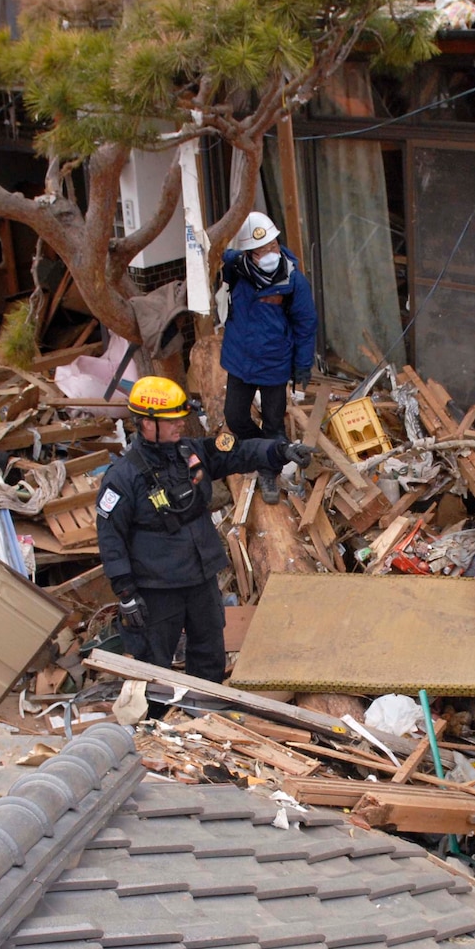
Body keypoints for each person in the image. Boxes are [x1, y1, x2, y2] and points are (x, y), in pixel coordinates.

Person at [97, 376, 310, 681]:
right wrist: (126, 593)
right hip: (158, 588)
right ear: (146, 423)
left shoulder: (191, 452)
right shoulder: (123, 477)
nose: (180, 425)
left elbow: (237, 452)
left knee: (209, 656)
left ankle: (205, 719)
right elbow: (110, 538)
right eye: (172, 421)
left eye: (181, 418)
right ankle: (154, 723)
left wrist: (279, 451)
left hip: (201, 578)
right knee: (153, 668)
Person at [218, 211, 316, 503]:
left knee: (274, 425)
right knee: (234, 417)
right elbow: (219, 254)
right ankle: (259, 450)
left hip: (274, 364)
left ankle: (268, 470)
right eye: (262, 250)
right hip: (240, 361)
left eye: (273, 246)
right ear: (249, 253)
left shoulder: (293, 281)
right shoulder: (237, 270)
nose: (270, 253)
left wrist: (302, 366)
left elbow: (306, 325)